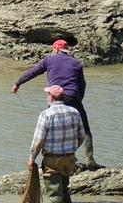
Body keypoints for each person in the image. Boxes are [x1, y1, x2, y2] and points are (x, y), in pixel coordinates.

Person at [12, 39, 102, 170]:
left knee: (50, 128)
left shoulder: (49, 60)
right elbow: (82, 85)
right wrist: (78, 100)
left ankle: (56, 158)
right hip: (73, 97)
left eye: (54, 49)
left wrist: (18, 83)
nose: (53, 51)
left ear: (57, 49)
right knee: (85, 130)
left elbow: (33, 72)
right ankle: (89, 160)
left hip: (55, 97)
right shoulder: (76, 63)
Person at [29, 85, 85, 203]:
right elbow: (82, 136)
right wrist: (72, 149)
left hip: (52, 161)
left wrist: (31, 159)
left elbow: (38, 141)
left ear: (51, 97)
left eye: (48, 94)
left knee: (56, 196)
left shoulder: (46, 114)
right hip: (70, 159)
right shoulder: (75, 112)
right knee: (65, 190)